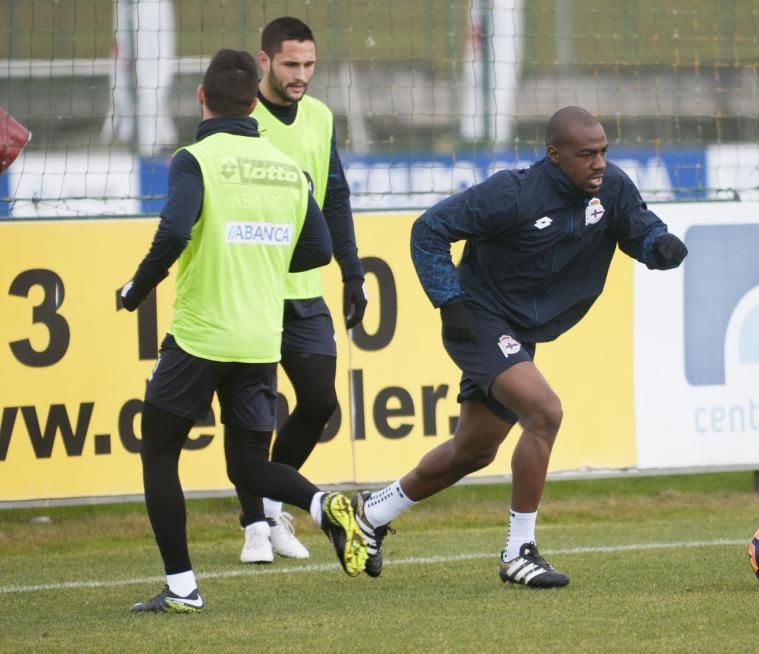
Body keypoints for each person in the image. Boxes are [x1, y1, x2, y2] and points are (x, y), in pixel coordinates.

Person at [347, 106, 688, 587]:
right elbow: (428, 230)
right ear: (554, 155)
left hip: (518, 331)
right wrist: (449, 303)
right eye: (586, 154)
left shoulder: (611, 187)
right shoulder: (512, 193)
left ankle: (372, 513)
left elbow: (636, 225)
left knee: (473, 451)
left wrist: (659, 246)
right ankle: (518, 551)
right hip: (478, 320)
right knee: (545, 412)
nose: (598, 163)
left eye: (604, 152)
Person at [120, 49, 367, 614]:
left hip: (200, 336)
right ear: (255, 103)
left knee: (159, 453)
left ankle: (183, 587)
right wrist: (263, 258)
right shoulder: (286, 167)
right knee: (250, 466)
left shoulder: (195, 158)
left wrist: (137, 291)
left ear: (201, 99)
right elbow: (320, 250)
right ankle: (323, 502)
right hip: (260, 338)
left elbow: (175, 230)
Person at [233, 16, 368, 565]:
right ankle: (254, 528)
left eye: (309, 65)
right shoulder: (240, 117)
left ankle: (270, 503)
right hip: (251, 289)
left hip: (304, 290)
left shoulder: (319, 116)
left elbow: (334, 196)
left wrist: (352, 272)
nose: (301, 76)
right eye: (291, 64)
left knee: (319, 402)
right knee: (253, 416)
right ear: (263, 61)